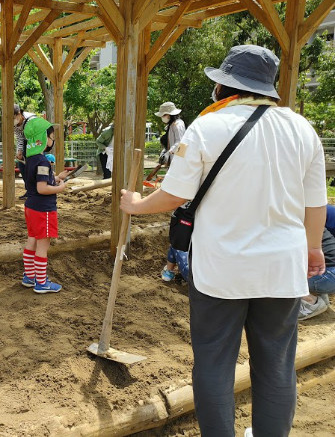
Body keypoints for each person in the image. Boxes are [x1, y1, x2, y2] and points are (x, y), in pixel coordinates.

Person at [120, 45, 326, 437]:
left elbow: (174, 196)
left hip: (220, 268)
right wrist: (313, 247)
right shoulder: (301, 128)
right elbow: (316, 202)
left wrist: (135, 205)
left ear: (224, 86)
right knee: (277, 365)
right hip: (281, 270)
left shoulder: (208, 126)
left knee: (214, 362)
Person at [21, 118, 70, 294]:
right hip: (43, 209)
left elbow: (37, 182)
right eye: (51, 136)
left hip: (31, 207)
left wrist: (56, 178)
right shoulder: (42, 161)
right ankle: (41, 283)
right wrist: (60, 188)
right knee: (43, 245)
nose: (53, 139)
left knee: (32, 240)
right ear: (42, 138)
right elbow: (42, 189)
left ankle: (29, 277)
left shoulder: (32, 159)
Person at [298, 203, 335, 320]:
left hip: (328, 274)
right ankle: (318, 293)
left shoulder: (309, 214)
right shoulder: (312, 211)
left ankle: (310, 303)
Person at [14, 104, 37, 198]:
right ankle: (30, 190)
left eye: (13, 117)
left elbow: (37, 137)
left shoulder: (31, 120)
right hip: (25, 143)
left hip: (37, 143)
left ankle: (37, 191)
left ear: (19, 114)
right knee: (22, 167)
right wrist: (19, 150)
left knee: (33, 168)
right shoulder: (14, 124)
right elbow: (19, 137)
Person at [155, 102, 186, 166]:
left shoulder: (178, 125)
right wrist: (165, 151)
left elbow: (180, 142)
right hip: (173, 160)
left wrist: (168, 153)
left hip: (179, 161)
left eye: (163, 115)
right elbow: (170, 143)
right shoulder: (171, 125)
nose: (162, 117)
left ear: (169, 114)